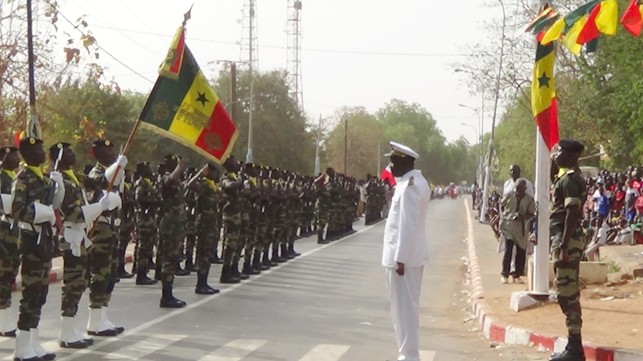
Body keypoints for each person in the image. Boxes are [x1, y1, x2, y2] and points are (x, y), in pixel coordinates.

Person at [50, 142, 110, 349]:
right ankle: (66, 333)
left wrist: (115, 168)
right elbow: (72, 213)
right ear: (60, 156)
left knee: (80, 282)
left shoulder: (73, 176)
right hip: (71, 235)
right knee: (73, 284)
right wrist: (97, 208)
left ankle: (72, 329)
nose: (73, 153)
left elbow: (98, 181)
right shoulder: (59, 180)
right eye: (69, 152)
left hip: (80, 235)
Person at [12, 136, 65, 361]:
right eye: (39, 150)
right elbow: (17, 211)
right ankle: (21, 349)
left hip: (43, 241)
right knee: (31, 294)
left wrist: (57, 186)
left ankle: (33, 343)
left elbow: (54, 205)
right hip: (31, 241)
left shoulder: (42, 178)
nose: (43, 153)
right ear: (27, 153)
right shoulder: (22, 179)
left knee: (41, 294)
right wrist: (42, 213)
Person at [381, 141, 430, 361]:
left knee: (404, 311)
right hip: (407, 258)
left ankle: (409, 355)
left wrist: (400, 259)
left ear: (405, 161)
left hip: (403, 260)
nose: (390, 166)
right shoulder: (412, 182)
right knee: (403, 310)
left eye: (393, 160)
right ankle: (407, 353)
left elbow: (407, 225)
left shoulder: (410, 186)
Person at [549, 138, 587, 361]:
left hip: (568, 241)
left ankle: (575, 349)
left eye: (560, 151)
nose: (556, 153)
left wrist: (563, 245)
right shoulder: (565, 177)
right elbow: (553, 173)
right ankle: (575, 346)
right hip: (566, 240)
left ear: (571, 155)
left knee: (567, 296)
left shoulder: (570, 181)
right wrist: (554, 159)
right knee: (567, 294)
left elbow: (572, 214)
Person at [499, 178, 535, 284]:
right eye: (517, 189)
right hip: (509, 226)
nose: (518, 191)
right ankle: (505, 274)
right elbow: (502, 204)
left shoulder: (529, 199)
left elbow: (531, 213)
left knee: (521, 252)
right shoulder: (510, 195)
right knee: (508, 250)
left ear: (525, 188)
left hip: (522, 228)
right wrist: (505, 216)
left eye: (521, 189)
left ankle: (517, 275)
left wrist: (523, 216)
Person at [0, 146, 19, 337]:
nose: (16, 157)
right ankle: (3, 322)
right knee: (3, 278)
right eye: (11, 155)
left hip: (15, 234)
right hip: (2, 234)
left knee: (11, 274)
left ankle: (5, 318)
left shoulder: (16, 177)